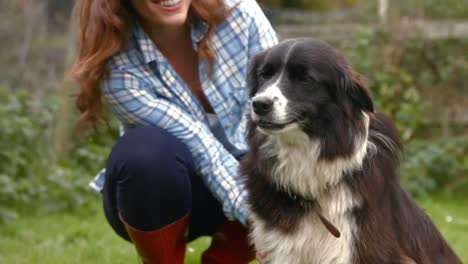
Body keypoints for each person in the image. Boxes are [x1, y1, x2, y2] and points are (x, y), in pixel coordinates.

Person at [68, 0, 277, 263]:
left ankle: (227, 256)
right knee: (144, 153)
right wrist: (260, 218)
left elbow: (280, 105)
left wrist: (288, 210)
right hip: (165, 195)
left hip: (252, 177)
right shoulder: (118, 69)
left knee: (279, 154)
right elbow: (201, 146)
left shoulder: (240, 14)